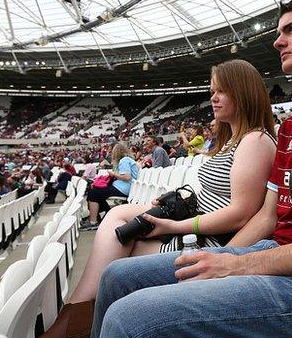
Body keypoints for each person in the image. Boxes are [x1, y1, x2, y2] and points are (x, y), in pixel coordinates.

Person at [91, 0, 292, 338]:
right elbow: (267, 217)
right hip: (272, 257)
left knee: (128, 319)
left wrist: (240, 264)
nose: (278, 41)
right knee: (117, 277)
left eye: (291, 29)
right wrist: (224, 258)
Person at [43, 59, 277, 337]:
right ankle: (77, 320)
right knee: (120, 220)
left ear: (244, 92)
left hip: (208, 241)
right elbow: (215, 196)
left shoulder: (255, 141)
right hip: (196, 225)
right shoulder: (232, 140)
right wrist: (171, 205)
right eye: (212, 90)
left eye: (221, 91)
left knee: (120, 247)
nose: (213, 97)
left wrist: (174, 226)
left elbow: (240, 214)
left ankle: (73, 321)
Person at [80, 143, 139, 229]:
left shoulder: (124, 160)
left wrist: (114, 174)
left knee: (93, 192)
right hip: (122, 187)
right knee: (94, 190)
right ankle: (101, 214)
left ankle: (93, 221)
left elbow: (127, 177)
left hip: (123, 188)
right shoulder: (126, 160)